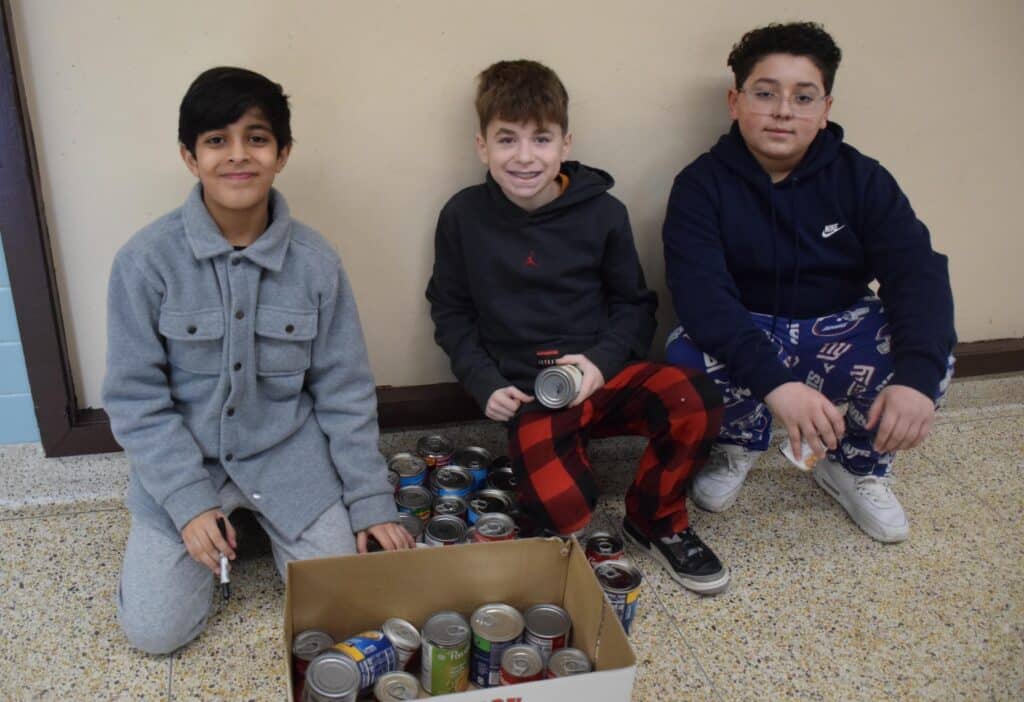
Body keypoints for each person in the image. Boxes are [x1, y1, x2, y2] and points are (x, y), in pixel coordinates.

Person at [103, 67, 413, 655]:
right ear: (190, 157)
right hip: (190, 465)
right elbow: (135, 400)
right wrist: (189, 503)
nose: (238, 155)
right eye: (216, 140)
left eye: (257, 138)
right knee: (155, 633)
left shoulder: (317, 263)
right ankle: (212, 526)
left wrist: (370, 501)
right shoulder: (144, 262)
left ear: (283, 153)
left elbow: (344, 392)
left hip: (290, 463)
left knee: (344, 613)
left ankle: (260, 526)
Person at [426, 60, 728, 594]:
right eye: (506, 139)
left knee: (694, 397)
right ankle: (563, 470)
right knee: (565, 515)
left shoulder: (604, 213)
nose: (525, 157)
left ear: (566, 144)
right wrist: (482, 381)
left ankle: (655, 519)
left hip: (603, 374)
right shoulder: (462, 216)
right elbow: (450, 311)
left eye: (541, 139)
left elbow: (635, 306)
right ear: (482, 147)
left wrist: (599, 363)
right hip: (529, 392)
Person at [662, 23, 955, 543]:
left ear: (825, 110)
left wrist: (916, 380)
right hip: (748, 326)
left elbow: (917, 275)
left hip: (837, 324)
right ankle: (739, 444)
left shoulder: (863, 178)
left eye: (803, 97)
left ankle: (856, 466)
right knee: (685, 355)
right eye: (765, 93)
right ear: (735, 101)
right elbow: (702, 297)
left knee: (929, 356)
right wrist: (777, 386)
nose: (783, 111)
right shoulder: (699, 185)